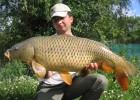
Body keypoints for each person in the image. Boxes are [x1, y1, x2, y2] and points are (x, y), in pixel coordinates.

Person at [33, 3, 108, 100]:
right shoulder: (45, 43)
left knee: (101, 80)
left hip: (70, 85)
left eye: (62, 18)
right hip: (49, 87)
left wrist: (89, 68)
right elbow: (46, 76)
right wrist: (43, 70)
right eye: (55, 19)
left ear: (71, 18)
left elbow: (84, 74)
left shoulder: (81, 43)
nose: (59, 22)